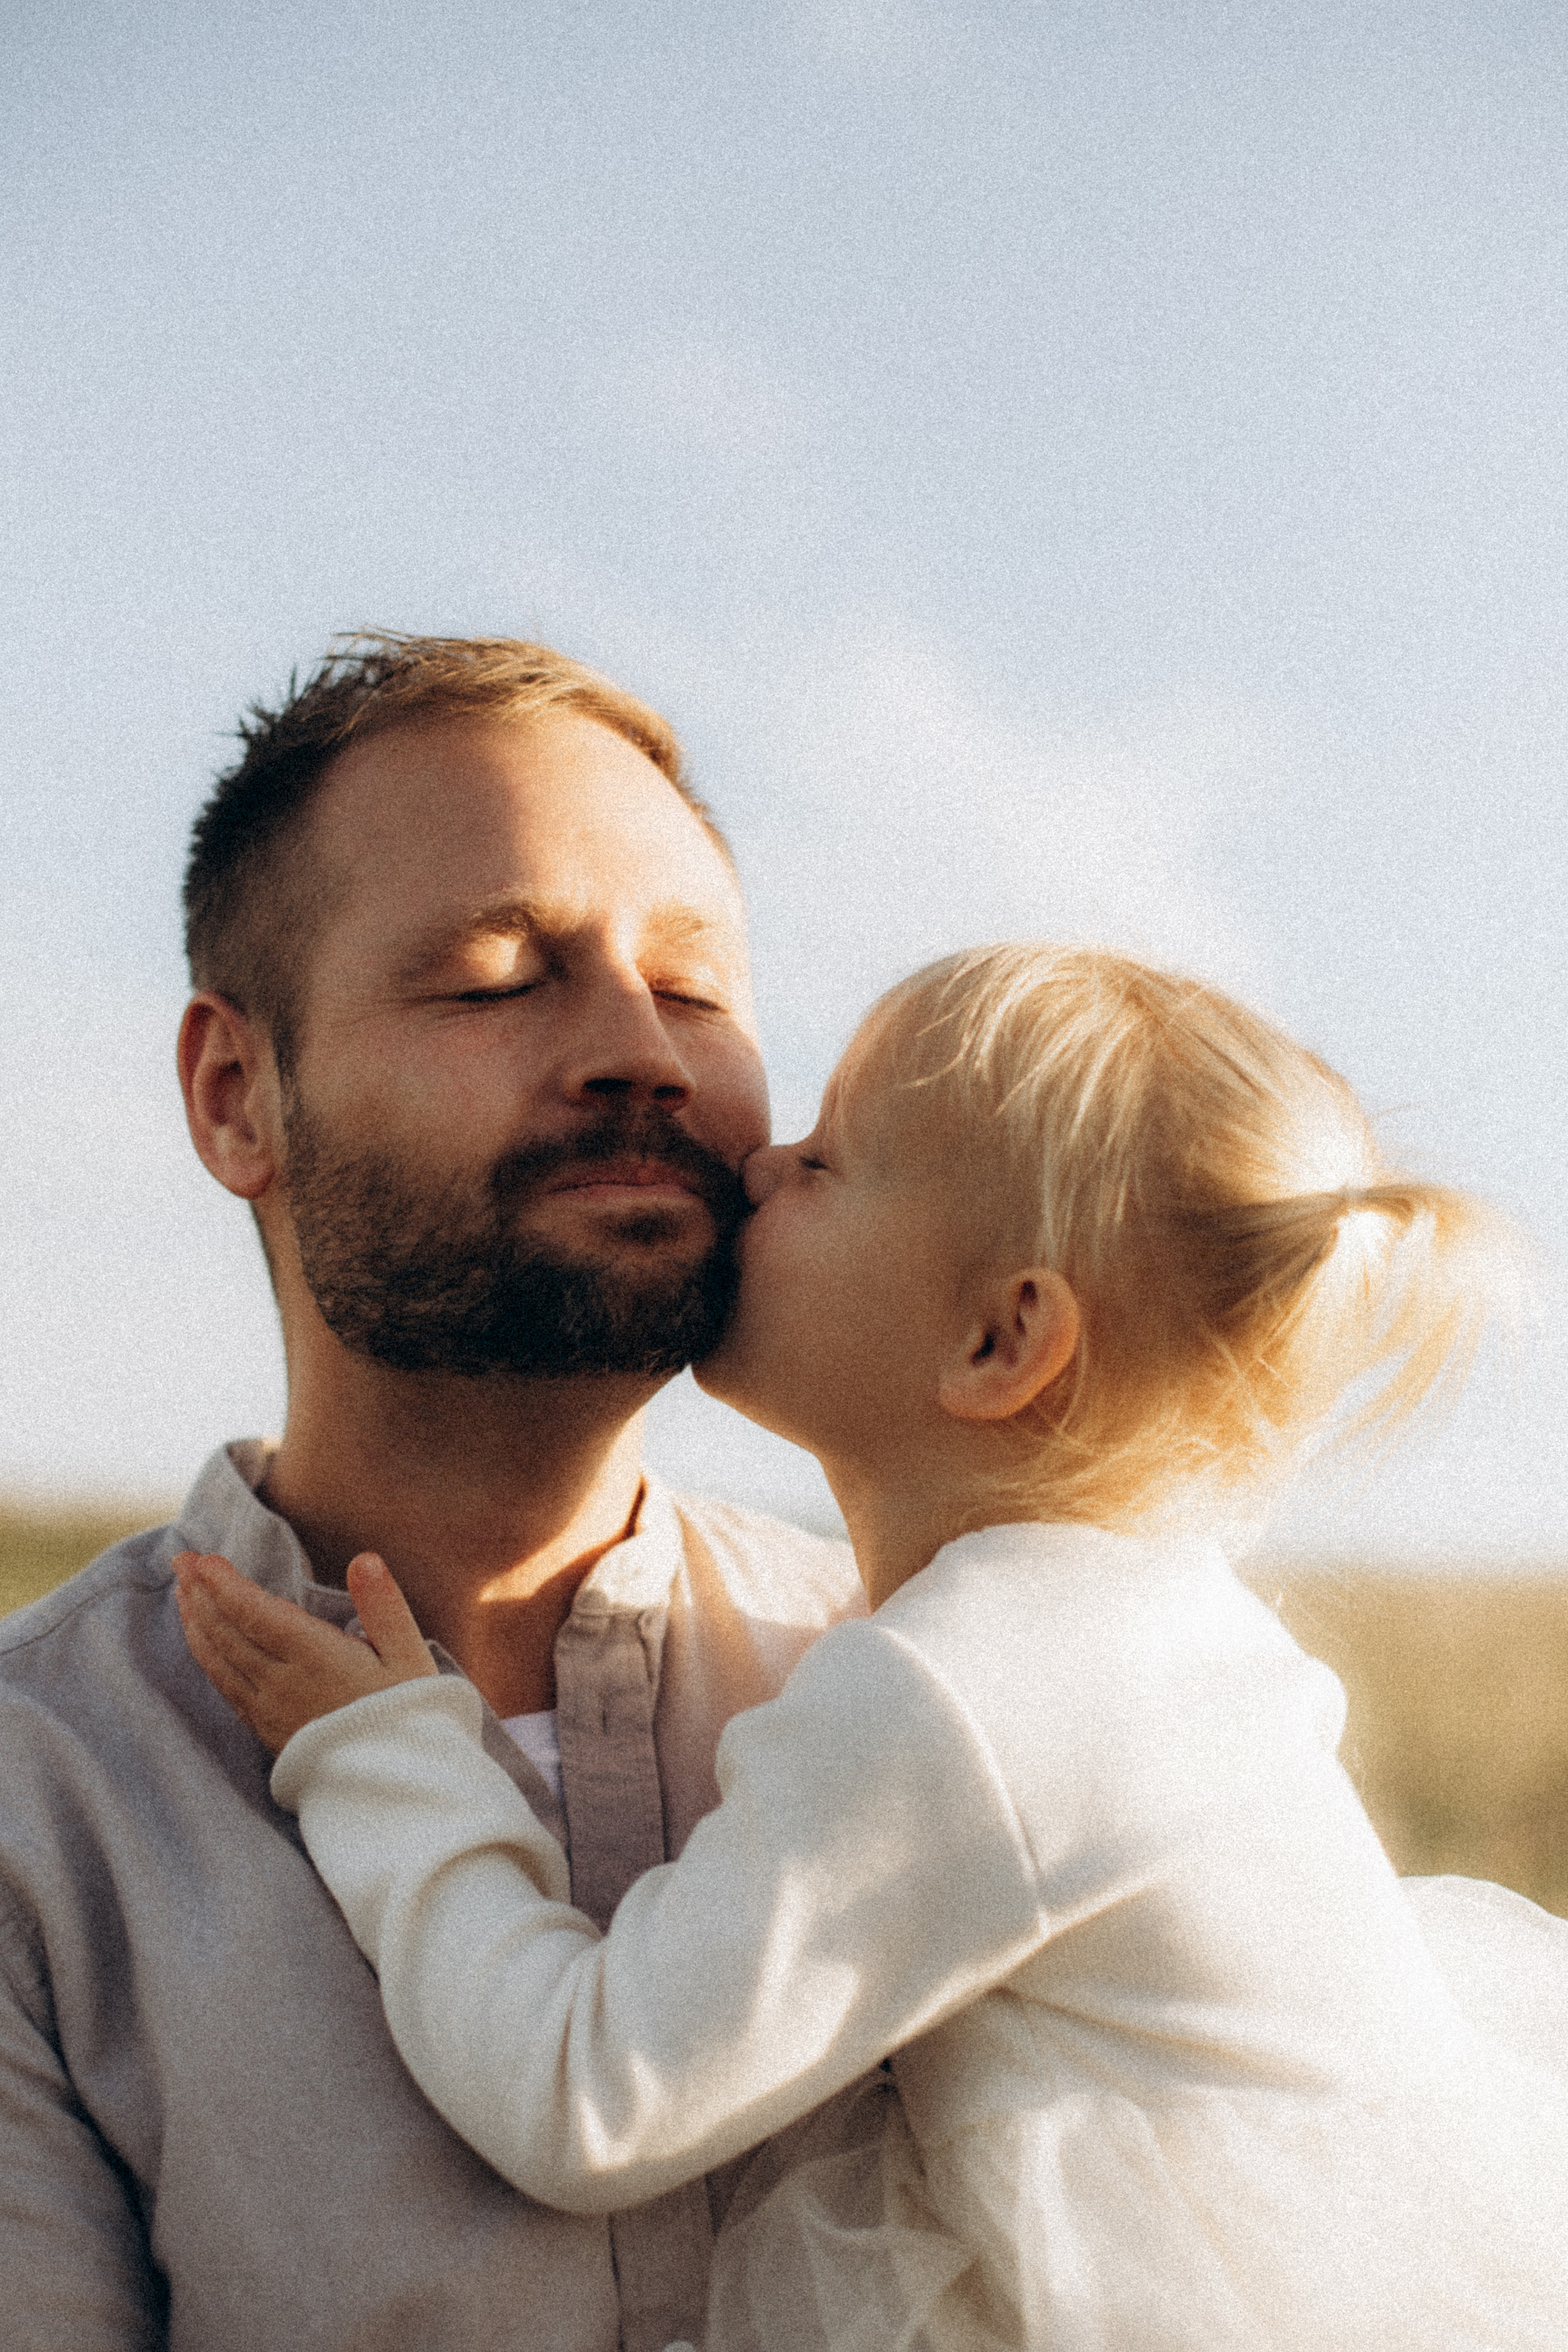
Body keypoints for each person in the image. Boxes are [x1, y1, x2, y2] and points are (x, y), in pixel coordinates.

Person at [179, 943, 1568, 2351]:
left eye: (830, 1163)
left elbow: (591, 2095)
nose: (762, 1166)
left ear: (999, 1339)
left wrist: (388, 1763)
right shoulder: (1128, 1619)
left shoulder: (965, 1690)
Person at [0, 633, 864, 2352]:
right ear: (239, 1096)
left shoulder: (933, 1681)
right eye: (494, 976)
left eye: (696, 988)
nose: (642, 1051)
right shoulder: (40, 1805)